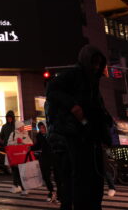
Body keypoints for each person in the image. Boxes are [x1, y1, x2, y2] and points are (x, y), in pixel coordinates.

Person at [46, 45, 113, 210]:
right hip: (78, 132)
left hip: (90, 133)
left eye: (99, 64)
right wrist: (73, 107)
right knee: (82, 175)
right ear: (86, 60)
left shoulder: (93, 81)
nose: (96, 67)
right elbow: (52, 89)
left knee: (95, 175)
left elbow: (97, 105)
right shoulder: (74, 75)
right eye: (94, 63)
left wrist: (106, 122)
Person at [0, 110, 26, 194]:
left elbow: (23, 133)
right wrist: (3, 142)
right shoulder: (4, 126)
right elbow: (0, 136)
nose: (9, 119)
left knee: (18, 168)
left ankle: (20, 185)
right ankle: (16, 185)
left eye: (10, 117)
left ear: (13, 118)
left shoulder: (16, 125)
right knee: (14, 168)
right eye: (8, 117)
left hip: (17, 149)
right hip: (9, 149)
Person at [33, 122, 56, 202]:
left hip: (54, 156)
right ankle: (51, 191)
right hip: (44, 157)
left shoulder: (51, 134)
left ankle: (59, 194)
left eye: (43, 127)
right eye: (40, 128)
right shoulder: (39, 136)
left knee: (57, 176)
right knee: (45, 176)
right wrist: (31, 148)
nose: (42, 129)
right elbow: (38, 145)